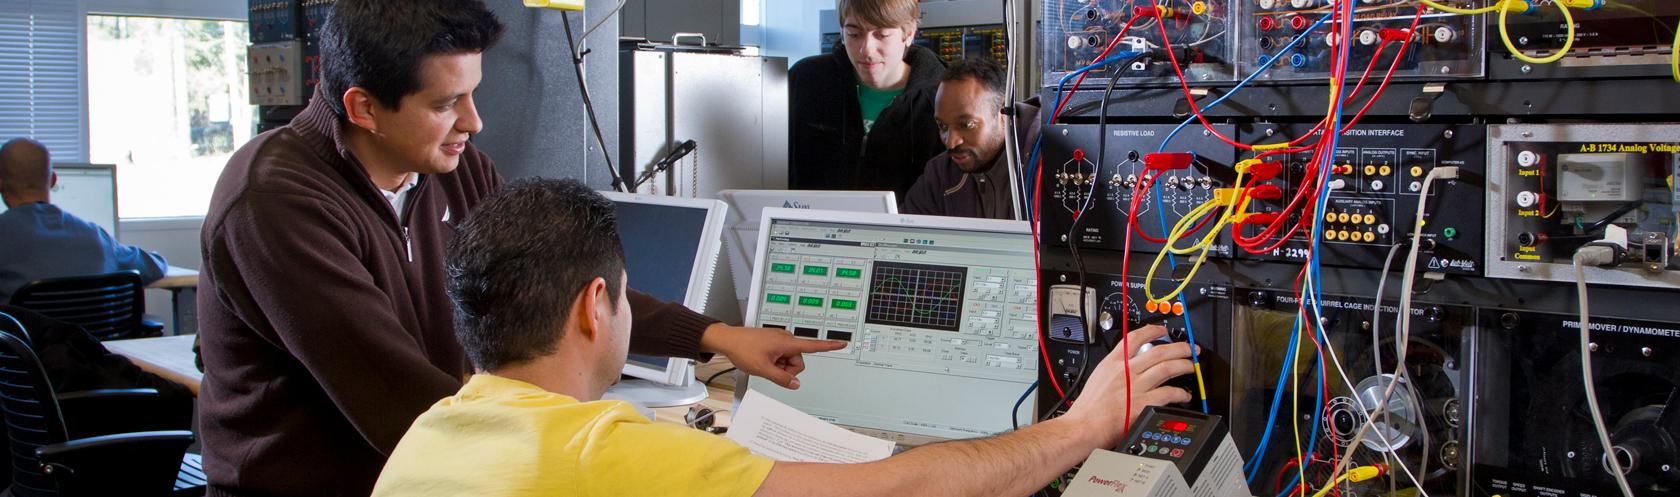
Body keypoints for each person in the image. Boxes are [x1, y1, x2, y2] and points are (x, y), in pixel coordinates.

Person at [197, 2, 841, 495]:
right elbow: (402, 406)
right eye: (447, 103)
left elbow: (562, 286)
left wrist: (718, 335)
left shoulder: (457, 169)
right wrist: (614, 453)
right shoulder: (275, 204)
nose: (473, 122)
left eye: (473, 93)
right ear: (363, 107)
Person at [371, 179, 1198, 497]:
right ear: (596, 306)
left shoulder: (424, 437)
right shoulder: (604, 452)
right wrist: (1084, 426)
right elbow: (902, 492)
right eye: (628, 297)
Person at [789, 0, 947, 196]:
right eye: (854, 34)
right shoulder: (804, 81)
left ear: (908, 33)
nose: (866, 50)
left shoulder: (943, 97)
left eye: (881, 35)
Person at [0, 138, 167, 303]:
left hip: (27, 331)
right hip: (92, 331)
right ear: (53, 180)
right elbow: (155, 266)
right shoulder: (97, 237)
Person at [902, 58, 1039, 220]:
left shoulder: (1050, 161)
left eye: (966, 125)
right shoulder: (940, 174)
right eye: (942, 126)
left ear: (1004, 112)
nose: (951, 142)